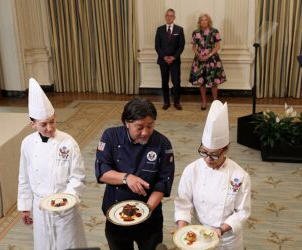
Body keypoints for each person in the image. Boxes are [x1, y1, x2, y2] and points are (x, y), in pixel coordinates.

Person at [95, 98, 175, 250]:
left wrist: (146, 210)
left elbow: (163, 181)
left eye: (150, 126)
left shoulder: (162, 144)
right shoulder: (110, 136)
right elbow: (102, 171)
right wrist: (126, 178)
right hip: (116, 214)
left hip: (149, 216)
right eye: (139, 127)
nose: (145, 132)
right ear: (127, 123)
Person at [17, 78, 87, 250]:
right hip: (40, 208)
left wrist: (66, 200)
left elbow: (78, 177)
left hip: (66, 207)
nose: (49, 128)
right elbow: (24, 177)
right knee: (45, 245)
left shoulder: (68, 142)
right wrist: (25, 206)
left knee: (68, 245)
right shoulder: (27, 143)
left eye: (52, 121)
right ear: (32, 124)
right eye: (43, 124)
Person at [174, 100, 251, 250]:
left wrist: (221, 229)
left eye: (214, 155)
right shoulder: (192, 170)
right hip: (198, 233)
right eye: (204, 152)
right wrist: (182, 231)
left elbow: (242, 212)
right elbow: (183, 204)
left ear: (226, 149)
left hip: (228, 239)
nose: (208, 159)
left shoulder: (240, 176)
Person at [189, 14, 227, 110]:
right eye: (201, 20)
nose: (203, 21)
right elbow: (193, 47)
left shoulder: (215, 31)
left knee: (214, 82)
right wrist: (199, 55)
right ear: (199, 22)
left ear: (208, 21)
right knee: (202, 82)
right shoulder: (195, 32)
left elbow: (218, 46)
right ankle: (204, 101)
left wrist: (209, 55)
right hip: (200, 60)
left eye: (205, 20)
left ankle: (215, 102)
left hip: (212, 60)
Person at [155, 8, 185, 110]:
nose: (169, 17)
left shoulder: (179, 29)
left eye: (171, 16)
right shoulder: (159, 29)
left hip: (175, 61)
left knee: (176, 82)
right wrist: (164, 57)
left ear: (174, 17)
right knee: (164, 82)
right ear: (165, 17)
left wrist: (173, 57)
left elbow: (181, 45)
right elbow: (157, 46)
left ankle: (176, 102)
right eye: (167, 15)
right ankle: (166, 102)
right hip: (163, 61)